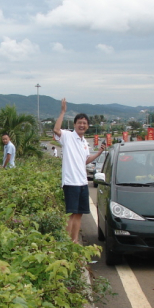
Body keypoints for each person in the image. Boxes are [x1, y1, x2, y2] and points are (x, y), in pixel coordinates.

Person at [53, 98, 105, 244]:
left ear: (87, 126)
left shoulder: (84, 143)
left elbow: (85, 161)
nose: (82, 125)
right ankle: (67, 243)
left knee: (79, 214)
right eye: (79, 123)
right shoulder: (68, 136)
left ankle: (74, 241)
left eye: (84, 123)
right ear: (75, 124)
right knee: (71, 214)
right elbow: (56, 130)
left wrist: (99, 153)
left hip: (82, 183)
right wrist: (63, 111)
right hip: (71, 182)